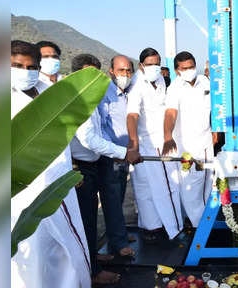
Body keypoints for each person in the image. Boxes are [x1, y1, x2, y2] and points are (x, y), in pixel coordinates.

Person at [11, 40, 92, 288]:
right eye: (17, 65)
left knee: (67, 250)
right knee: (31, 254)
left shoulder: (52, 92)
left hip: (59, 184)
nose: (25, 71)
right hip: (22, 192)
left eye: (31, 66)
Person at [70, 53, 137, 285]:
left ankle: (93, 257)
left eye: (96, 72)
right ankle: (93, 272)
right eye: (90, 72)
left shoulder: (91, 97)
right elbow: (89, 138)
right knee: (87, 218)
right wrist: (122, 152)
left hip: (97, 161)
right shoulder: (77, 99)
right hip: (82, 167)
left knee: (94, 214)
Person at [126, 48, 183, 241]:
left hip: (162, 140)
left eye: (156, 63)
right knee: (157, 188)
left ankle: (160, 226)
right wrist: (133, 145)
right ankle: (162, 229)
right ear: (141, 65)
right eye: (149, 64)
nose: (154, 67)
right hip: (148, 144)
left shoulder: (159, 80)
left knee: (157, 188)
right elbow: (132, 115)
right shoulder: (136, 84)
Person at [162, 51, 215, 227]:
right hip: (188, 145)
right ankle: (200, 227)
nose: (189, 70)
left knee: (209, 184)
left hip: (207, 141)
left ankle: (208, 222)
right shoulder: (174, 88)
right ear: (177, 70)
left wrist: (216, 130)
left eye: (191, 66)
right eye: (184, 68)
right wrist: (168, 135)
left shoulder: (205, 82)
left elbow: (215, 107)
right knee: (191, 187)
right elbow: (170, 113)